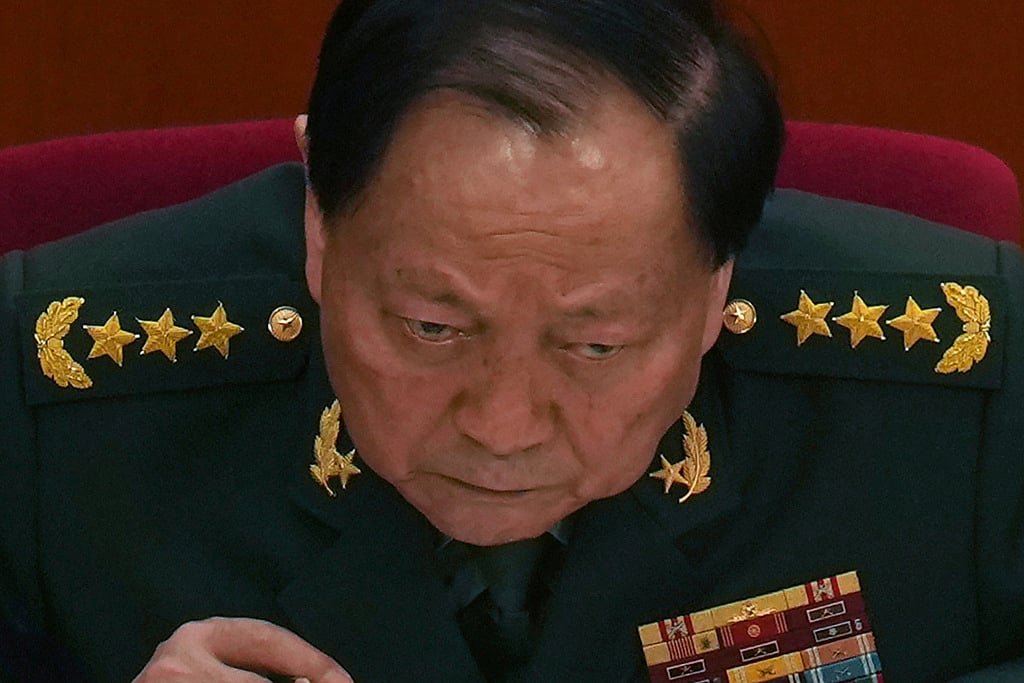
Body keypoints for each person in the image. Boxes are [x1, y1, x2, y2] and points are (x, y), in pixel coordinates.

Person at [1, 1, 1022, 681]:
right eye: (432, 326)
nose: (501, 426)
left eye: (596, 344)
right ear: (317, 225)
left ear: (719, 281)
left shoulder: (961, 384)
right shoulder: (55, 392)